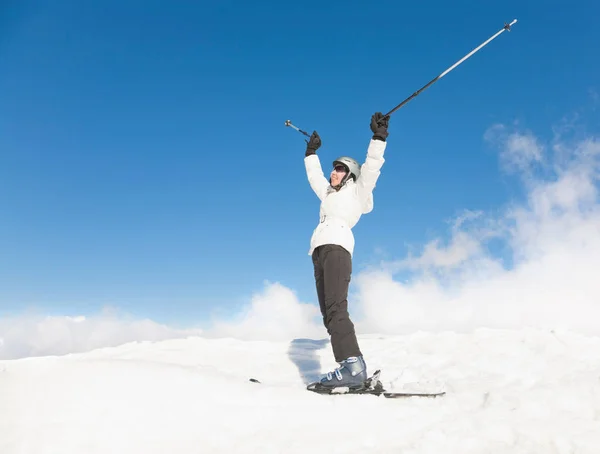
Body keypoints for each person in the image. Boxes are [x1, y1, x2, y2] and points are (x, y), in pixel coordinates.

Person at [303, 111, 389, 389]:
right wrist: (311, 152)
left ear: (350, 173)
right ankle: (347, 366)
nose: (334, 172)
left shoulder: (357, 192)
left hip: (338, 248)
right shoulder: (328, 194)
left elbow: (372, 168)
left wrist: (378, 137)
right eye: (333, 167)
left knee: (337, 308)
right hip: (319, 250)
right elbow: (315, 177)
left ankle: (354, 366)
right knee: (329, 313)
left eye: (340, 168)